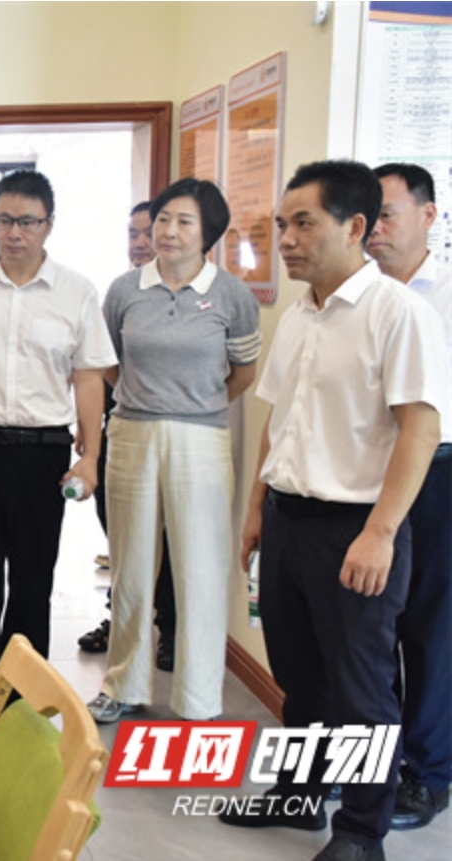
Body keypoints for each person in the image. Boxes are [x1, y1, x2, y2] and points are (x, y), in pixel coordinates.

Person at [218, 160, 447, 861]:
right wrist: (257, 508)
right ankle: (300, 791)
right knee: (299, 675)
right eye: (280, 225)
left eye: (303, 223)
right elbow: (280, 418)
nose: (285, 239)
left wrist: (381, 532)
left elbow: (420, 428)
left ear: (354, 227)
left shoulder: (397, 313)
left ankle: (359, 832)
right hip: (289, 522)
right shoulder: (299, 314)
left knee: (360, 688)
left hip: (355, 528)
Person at [88, 178, 261, 724]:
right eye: (162, 219)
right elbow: (108, 362)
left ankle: (198, 698)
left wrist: (198, 402)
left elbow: (244, 371)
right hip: (132, 433)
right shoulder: (124, 289)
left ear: (209, 232)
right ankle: (123, 685)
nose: (167, 231)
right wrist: (143, 396)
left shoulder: (231, 294)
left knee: (201, 567)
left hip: (201, 439)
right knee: (131, 566)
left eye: (184, 221)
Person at [0, 169, 115, 712]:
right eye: (4, 220)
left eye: (27, 222)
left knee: (32, 586)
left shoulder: (76, 292)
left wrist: (90, 457)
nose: (14, 232)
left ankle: (17, 710)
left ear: (49, 225)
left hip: (42, 455)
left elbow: (88, 376)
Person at [367, 162, 451, 831]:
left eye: (387, 213)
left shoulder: (443, 293)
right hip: (364, 476)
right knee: (369, 633)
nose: (374, 228)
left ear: (428, 215)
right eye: (366, 215)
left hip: (438, 474)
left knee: (429, 628)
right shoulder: (358, 295)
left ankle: (426, 773)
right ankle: (373, 768)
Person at [80, 200, 178, 671]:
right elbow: (103, 362)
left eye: (147, 232)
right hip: (121, 428)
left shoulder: (197, 295)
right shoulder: (122, 291)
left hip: (178, 437)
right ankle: (120, 621)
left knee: (170, 538)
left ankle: (170, 628)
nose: (140, 243)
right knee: (122, 536)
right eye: (133, 234)